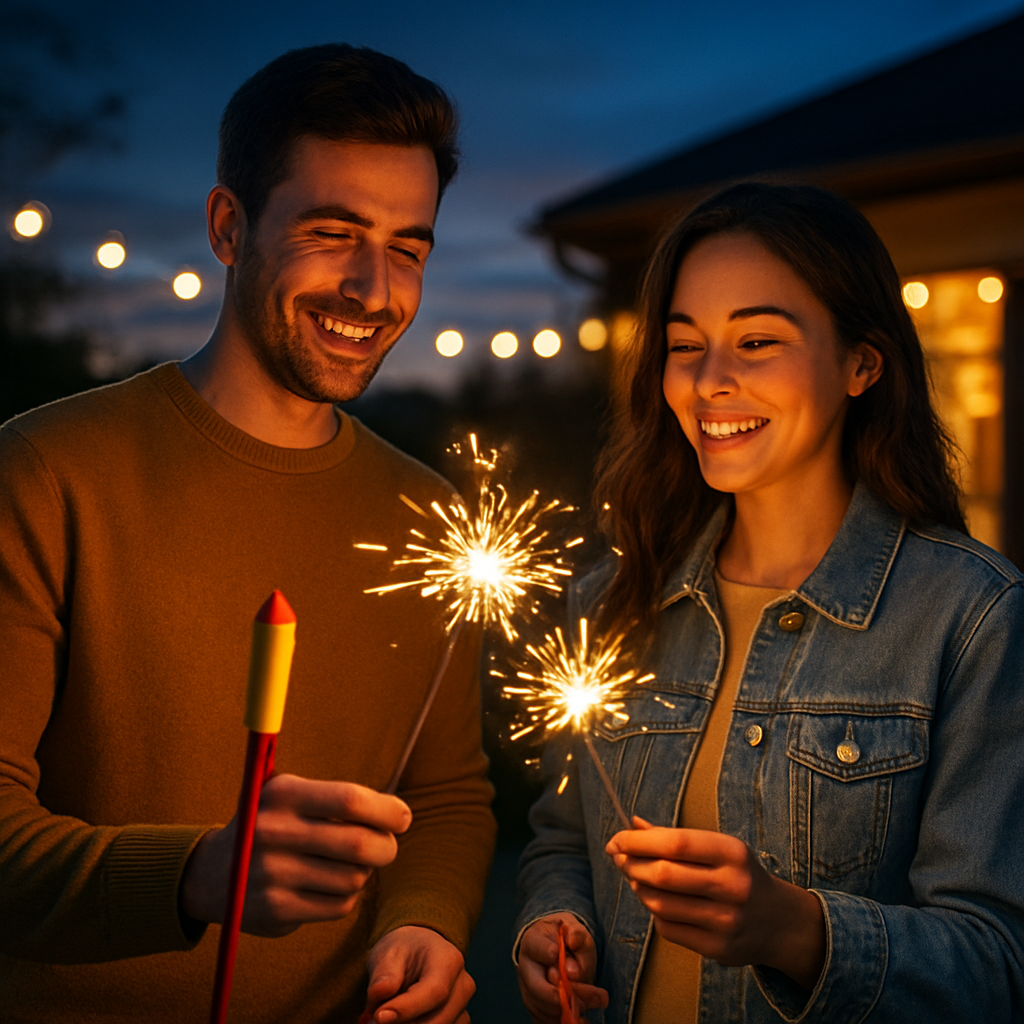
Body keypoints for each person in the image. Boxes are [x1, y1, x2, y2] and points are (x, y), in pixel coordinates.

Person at [0, 45, 496, 1024]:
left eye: (409, 246)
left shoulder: (432, 516)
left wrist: (428, 924)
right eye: (332, 230)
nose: (373, 288)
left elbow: (446, 792)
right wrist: (199, 874)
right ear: (230, 227)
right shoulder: (47, 473)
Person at [515, 182, 1024, 1023]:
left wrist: (797, 931)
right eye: (686, 345)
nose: (711, 381)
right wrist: (554, 924)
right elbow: (565, 837)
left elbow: (998, 964)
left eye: (756, 340)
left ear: (862, 363)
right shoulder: (612, 597)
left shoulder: (970, 618)